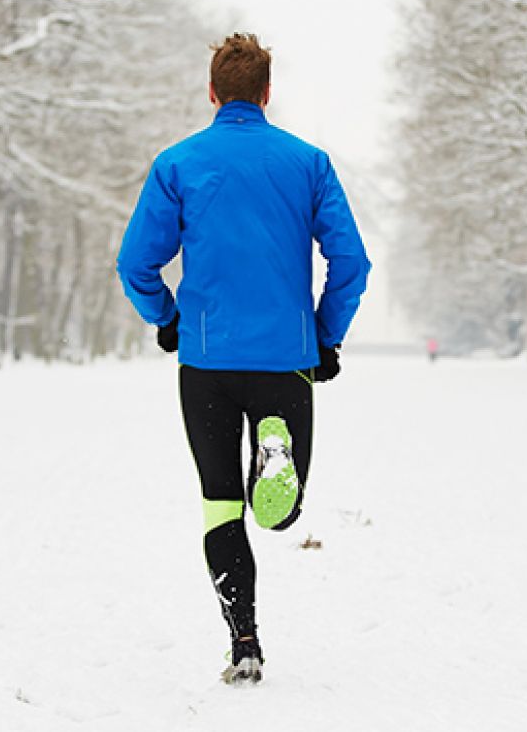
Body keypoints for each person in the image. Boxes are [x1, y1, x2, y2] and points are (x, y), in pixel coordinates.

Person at [116, 34, 371, 684]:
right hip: (285, 359)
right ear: (265, 93)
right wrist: (324, 335)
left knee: (220, 508)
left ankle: (245, 642)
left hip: (207, 362)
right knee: (277, 512)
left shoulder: (179, 164)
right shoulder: (307, 163)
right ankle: (276, 448)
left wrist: (167, 318)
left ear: (212, 92)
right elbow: (350, 261)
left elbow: (135, 263)